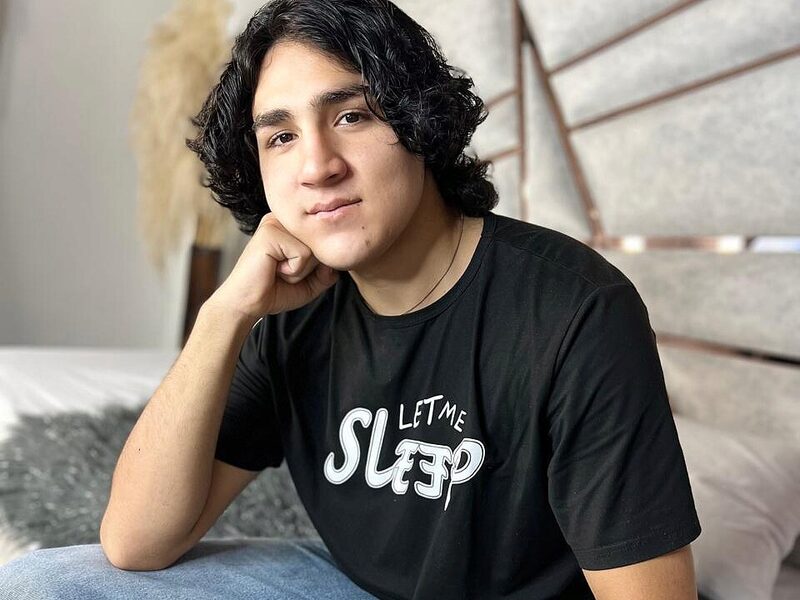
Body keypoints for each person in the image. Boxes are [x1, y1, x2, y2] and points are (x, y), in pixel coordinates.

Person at [0, 0, 702, 598]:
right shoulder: (291, 308)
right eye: (281, 136)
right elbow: (135, 541)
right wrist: (224, 314)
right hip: (347, 584)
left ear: (418, 120)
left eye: (352, 116)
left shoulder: (575, 310)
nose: (317, 167)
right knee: (40, 583)